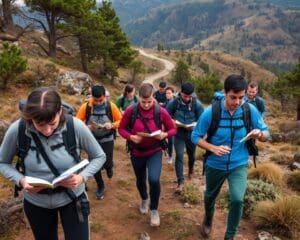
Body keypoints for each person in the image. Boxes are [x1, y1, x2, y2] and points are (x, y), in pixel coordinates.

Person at [0, 87, 106, 240]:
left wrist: (81, 178)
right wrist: (21, 180)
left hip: (72, 198)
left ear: (60, 111)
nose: (47, 130)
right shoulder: (18, 130)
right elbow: (3, 162)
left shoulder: (75, 126)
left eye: (52, 123)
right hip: (36, 202)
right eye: (40, 124)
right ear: (30, 117)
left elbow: (99, 156)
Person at [191, 75, 270, 240]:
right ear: (225, 92)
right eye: (233, 97)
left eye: (241, 97)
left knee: (237, 199)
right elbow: (195, 136)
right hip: (215, 163)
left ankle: (230, 236)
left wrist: (259, 134)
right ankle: (208, 219)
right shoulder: (212, 112)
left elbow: (266, 133)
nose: (237, 101)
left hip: (239, 164)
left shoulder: (249, 110)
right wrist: (213, 148)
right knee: (210, 196)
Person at [118, 83, 176, 227]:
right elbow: (121, 129)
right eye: (143, 102)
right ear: (139, 98)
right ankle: (144, 198)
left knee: (154, 179)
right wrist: (131, 137)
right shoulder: (131, 110)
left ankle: (154, 209)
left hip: (154, 151)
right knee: (140, 179)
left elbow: (173, 128)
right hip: (136, 152)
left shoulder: (160, 111)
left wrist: (164, 134)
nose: (146, 105)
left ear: (153, 98)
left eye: (149, 101)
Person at [76, 85, 122, 200]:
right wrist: (86, 127)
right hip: (91, 140)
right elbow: (76, 122)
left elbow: (121, 120)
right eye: (95, 100)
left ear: (105, 97)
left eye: (100, 100)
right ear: (91, 97)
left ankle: (109, 167)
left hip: (107, 139)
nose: (98, 103)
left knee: (107, 161)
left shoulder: (111, 106)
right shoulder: (85, 107)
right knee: (94, 164)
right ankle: (100, 186)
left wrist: (112, 125)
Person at [166, 82, 204, 192]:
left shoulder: (197, 104)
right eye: (184, 96)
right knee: (179, 155)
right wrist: (172, 122)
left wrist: (195, 125)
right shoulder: (174, 103)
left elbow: (202, 119)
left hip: (192, 133)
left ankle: (191, 169)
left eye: (189, 96)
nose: (187, 98)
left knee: (191, 155)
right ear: (180, 93)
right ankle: (180, 182)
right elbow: (166, 116)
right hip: (178, 133)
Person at [165, 86, 175, 164]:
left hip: (173, 124)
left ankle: (171, 156)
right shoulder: (167, 101)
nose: (167, 95)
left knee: (171, 140)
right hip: (166, 123)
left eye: (169, 93)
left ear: (173, 93)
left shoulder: (175, 102)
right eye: (166, 93)